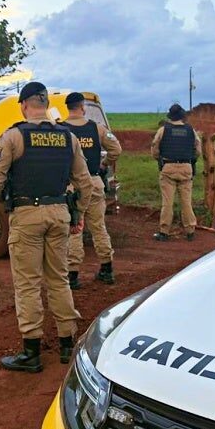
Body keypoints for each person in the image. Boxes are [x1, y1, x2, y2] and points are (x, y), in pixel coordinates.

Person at [0, 82, 93, 373]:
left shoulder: (13, 137)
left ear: (23, 105)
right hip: (59, 213)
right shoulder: (67, 137)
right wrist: (78, 212)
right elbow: (84, 182)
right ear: (45, 104)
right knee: (58, 278)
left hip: (26, 214)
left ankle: (31, 351)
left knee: (28, 283)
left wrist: (5, 199)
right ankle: (67, 342)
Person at [62, 92, 122, 288]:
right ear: (82, 107)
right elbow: (116, 149)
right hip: (94, 182)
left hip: (72, 186)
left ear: (67, 108)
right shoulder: (97, 128)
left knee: (74, 229)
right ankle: (107, 268)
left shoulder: (61, 129)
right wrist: (104, 165)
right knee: (98, 227)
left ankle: (73, 275)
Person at [151, 103, 201, 241]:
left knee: (167, 202)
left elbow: (155, 147)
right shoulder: (191, 130)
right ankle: (190, 231)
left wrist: (159, 159)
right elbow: (198, 149)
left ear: (170, 116)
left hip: (168, 168)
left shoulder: (163, 130)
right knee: (186, 202)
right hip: (186, 167)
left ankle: (164, 232)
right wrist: (191, 160)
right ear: (182, 116)